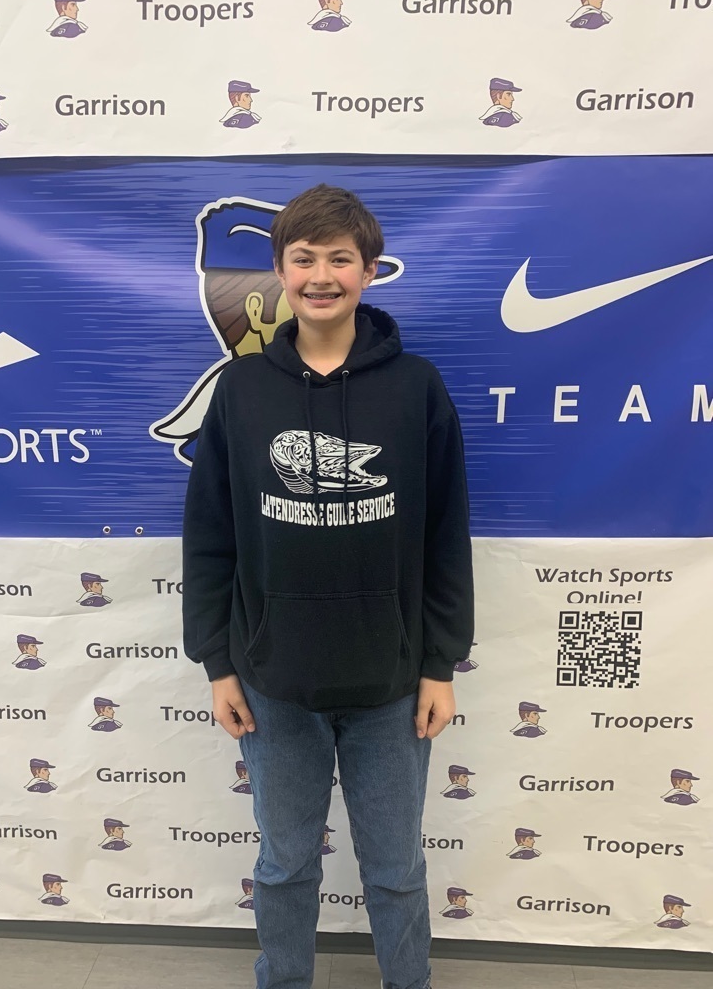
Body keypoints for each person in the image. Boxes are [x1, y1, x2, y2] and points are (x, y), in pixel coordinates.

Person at [183, 183, 473, 989]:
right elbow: (210, 537)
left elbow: (445, 535)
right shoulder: (241, 390)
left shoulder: (415, 386)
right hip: (273, 684)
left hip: (391, 684)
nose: (321, 276)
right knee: (284, 866)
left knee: (396, 869)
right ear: (278, 271)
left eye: (339, 259)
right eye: (303, 258)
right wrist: (218, 663)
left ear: (368, 272)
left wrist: (440, 664)